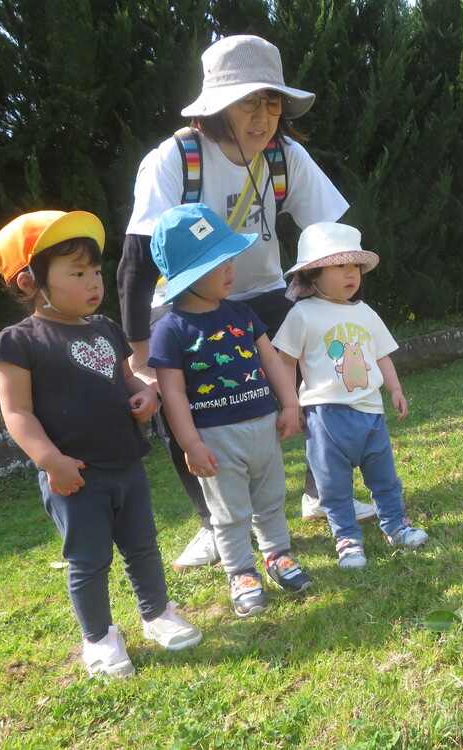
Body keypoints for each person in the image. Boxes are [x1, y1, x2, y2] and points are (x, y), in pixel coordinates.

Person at [118, 34, 377, 574]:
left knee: (333, 364)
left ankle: (322, 492)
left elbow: (328, 235)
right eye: (248, 102)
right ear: (216, 107)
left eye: (272, 101)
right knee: (180, 400)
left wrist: (331, 304)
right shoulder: (175, 159)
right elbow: (137, 262)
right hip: (184, 303)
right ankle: (214, 524)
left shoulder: (286, 156)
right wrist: (140, 356)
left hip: (263, 294)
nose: (263, 116)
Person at [0, 210, 202, 679]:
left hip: (127, 462)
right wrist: (51, 461)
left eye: (97, 271)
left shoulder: (104, 329)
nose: (94, 283)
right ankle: (100, 638)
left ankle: (157, 614)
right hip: (74, 475)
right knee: (87, 560)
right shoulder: (18, 342)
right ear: (30, 282)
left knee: (143, 545)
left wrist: (144, 394)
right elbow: (16, 412)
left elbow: (128, 377)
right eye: (77, 273)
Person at [147, 204, 313, 615]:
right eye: (215, 262)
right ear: (186, 275)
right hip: (216, 438)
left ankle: (278, 555)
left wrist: (290, 403)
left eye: (230, 258)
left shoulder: (242, 312)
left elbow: (272, 360)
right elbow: (172, 394)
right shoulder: (171, 329)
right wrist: (189, 442)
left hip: (262, 426)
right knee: (229, 510)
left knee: (271, 497)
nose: (229, 269)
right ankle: (241, 570)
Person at [272, 223, 430, 568]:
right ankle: (347, 539)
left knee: (385, 477)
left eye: (355, 267)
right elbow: (285, 360)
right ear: (313, 274)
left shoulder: (365, 312)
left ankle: (395, 525)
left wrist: (395, 388)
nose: (350, 274)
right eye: (339, 266)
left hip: (370, 412)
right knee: (333, 486)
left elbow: (382, 354)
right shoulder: (301, 314)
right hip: (326, 416)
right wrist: (289, 404)